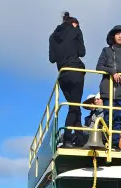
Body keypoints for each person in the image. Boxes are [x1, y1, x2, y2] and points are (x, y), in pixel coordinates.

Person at [49, 12, 87, 148]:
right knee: (74, 107)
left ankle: (80, 138)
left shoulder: (52, 37)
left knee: (74, 106)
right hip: (76, 71)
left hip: (62, 75)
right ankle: (67, 139)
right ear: (74, 23)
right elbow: (82, 52)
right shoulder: (76, 30)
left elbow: (52, 59)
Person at [96, 25, 121, 151]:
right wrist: (112, 71)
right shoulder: (106, 51)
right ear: (113, 36)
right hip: (108, 89)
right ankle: (105, 142)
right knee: (108, 116)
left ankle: (114, 144)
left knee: (118, 118)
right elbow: (99, 67)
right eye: (118, 34)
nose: (120, 36)